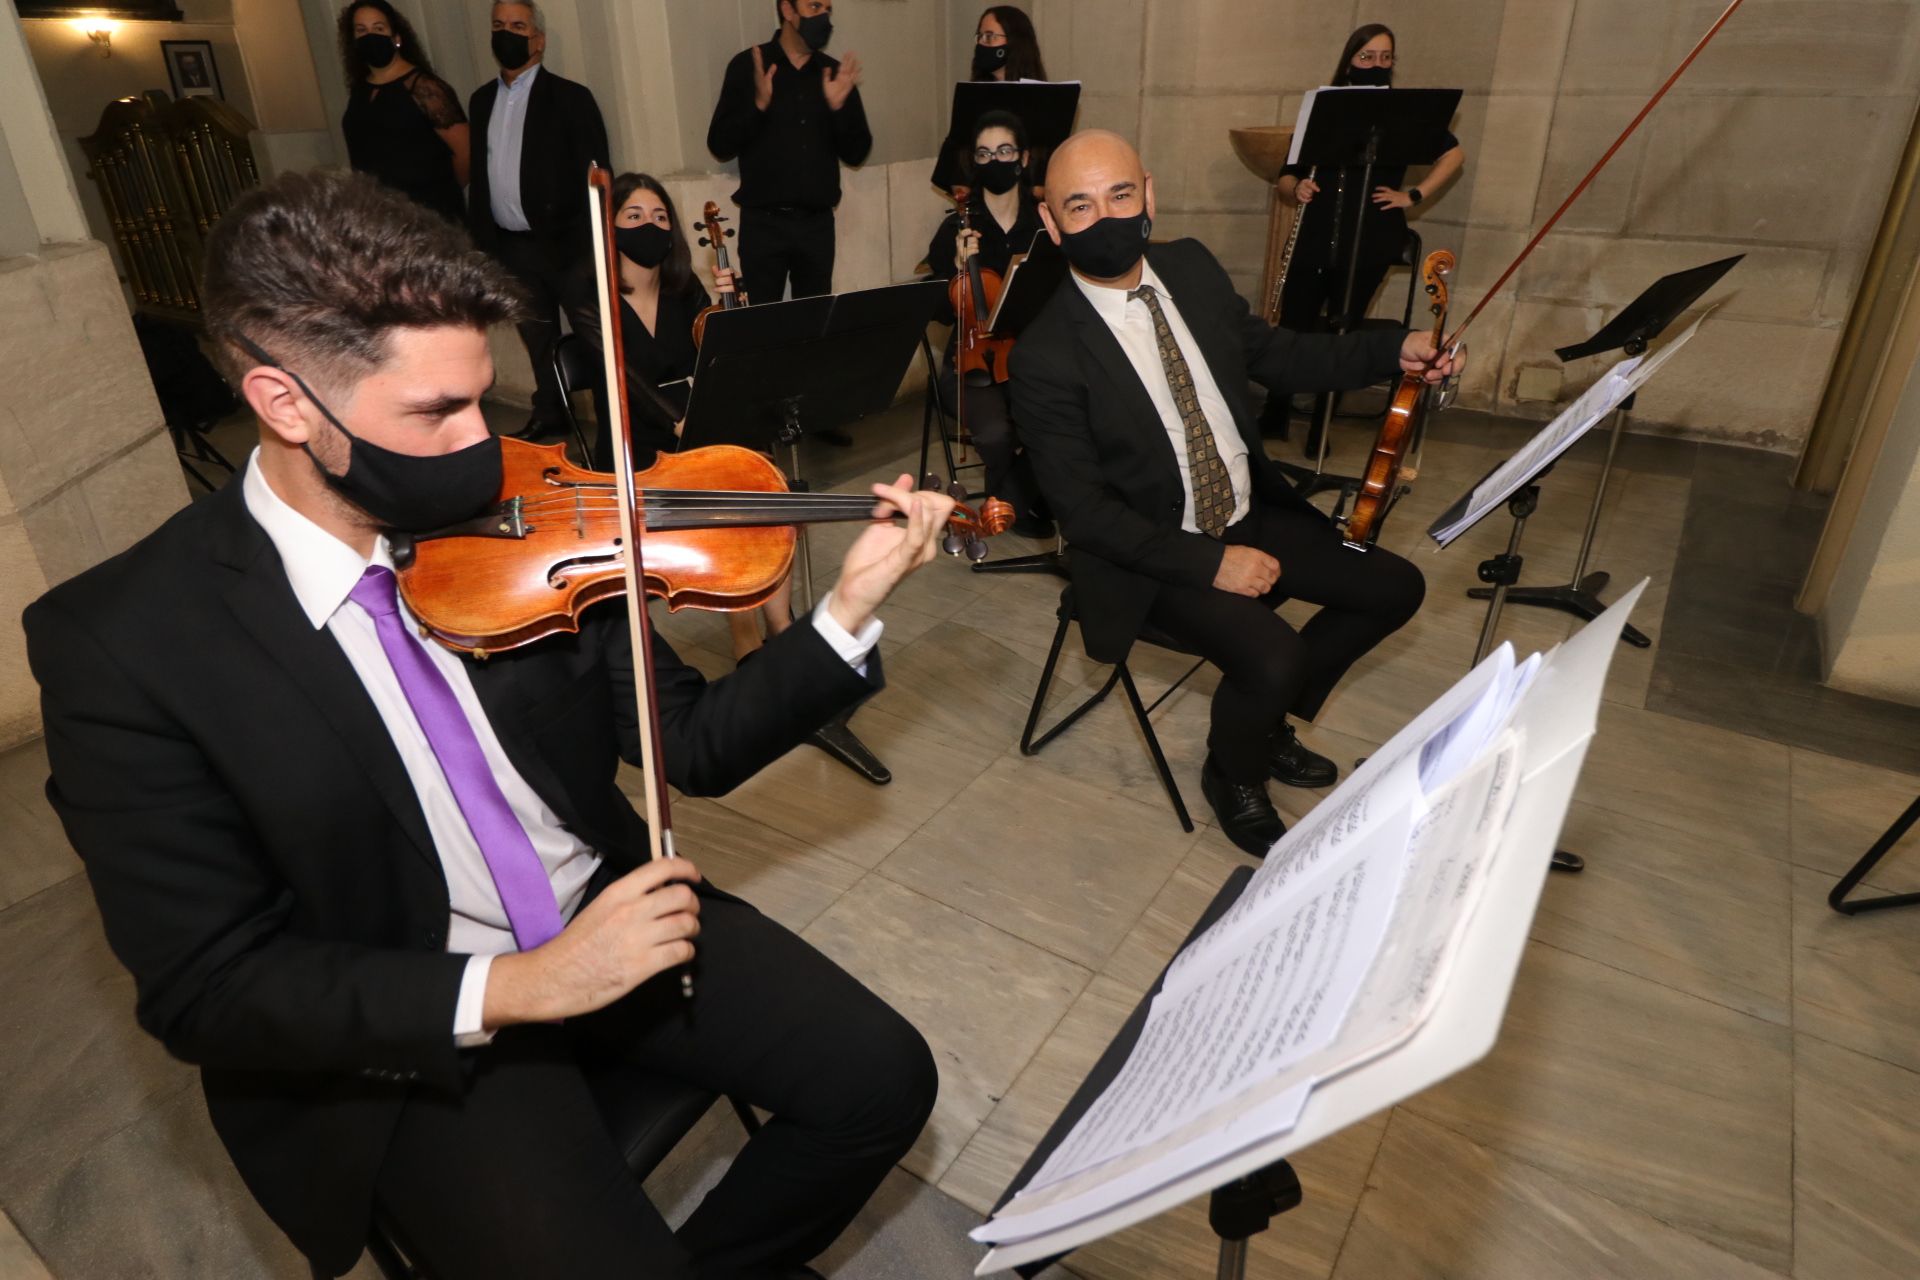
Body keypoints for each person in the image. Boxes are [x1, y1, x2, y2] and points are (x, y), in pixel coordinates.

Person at [23, 170, 946, 1280]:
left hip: (597, 904)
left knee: (883, 1077)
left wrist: (847, 608)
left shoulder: (531, 526)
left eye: (481, 395)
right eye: (437, 412)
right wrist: (529, 986)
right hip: (405, 1026)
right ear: (284, 403)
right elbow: (212, 987)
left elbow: (690, 743)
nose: (484, 443)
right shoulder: (122, 643)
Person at [1007, 130, 1456, 855]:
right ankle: (1233, 770)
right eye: (1080, 207)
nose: (1107, 218)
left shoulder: (1189, 267)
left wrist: (1389, 348)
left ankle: (1264, 720)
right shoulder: (1044, 355)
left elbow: (1277, 354)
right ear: (1052, 223)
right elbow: (1086, 516)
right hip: (1148, 552)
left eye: (1121, 195)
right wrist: (1208, 564)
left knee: (1393, 587)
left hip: (1244, 510)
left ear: (1149, 193)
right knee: (1272, 655)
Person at [598, 172, 797, 663]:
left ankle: (780, 624)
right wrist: (680, 424)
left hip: (695, 424)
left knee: (765, 480)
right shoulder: (592, 294)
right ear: (611, 225)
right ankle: (746, 637)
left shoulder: (684, 291)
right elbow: (622, 375)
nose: (650, 225)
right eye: (635, 216)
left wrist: (738, 305)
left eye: (661, 216)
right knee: (726, 497)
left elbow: (723, 355)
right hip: (638, 438)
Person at [1265, 23, 1466, 450]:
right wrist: (1295, 189)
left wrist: (1412, 195)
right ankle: (1274, 416)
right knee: (1294, 328)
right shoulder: (1323, 108)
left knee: (1345, 330)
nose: (1376, 65)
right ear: (1349, 60)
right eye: (1367, 57)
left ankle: (1321, 429)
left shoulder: (1403, 112)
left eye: (1385, 58)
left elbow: (1453, 154)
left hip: (1371, 238)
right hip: (1315, 236)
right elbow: (1286, 176)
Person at [468, 0, 610, 441]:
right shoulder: (481, 100)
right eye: (498, 25)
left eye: (517, 25)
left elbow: (597, 176)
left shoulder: (571, 98)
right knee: (537, 338)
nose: (505, 33)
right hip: (512, 246)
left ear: (539, 39)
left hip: (567, 245)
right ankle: (550, 411)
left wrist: (594, 248)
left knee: (594, 338)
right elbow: (479, 173)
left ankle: (611, 421)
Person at [925, 109, 1050, 536]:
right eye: (983, 153)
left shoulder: (1044, 224)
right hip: (969, 364)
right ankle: (1016, 501)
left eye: (1004, 150)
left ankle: (1019, 494)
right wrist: (957, 270)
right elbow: (938, 314)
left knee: (1064, 416)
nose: (994, 160)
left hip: (1032, 356)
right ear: (973, 162)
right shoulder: (955, 228)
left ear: (1023, 157)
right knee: (997, 433)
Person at [706, 0, 870, 308]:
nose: (824, 16)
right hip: (763, 225)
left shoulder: (833, 73)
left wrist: (838, 110)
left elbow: (857, 152)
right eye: (814, 6)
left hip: (817, 226)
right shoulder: (748, 66)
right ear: (788, 10)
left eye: (828, 9)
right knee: (762, 324)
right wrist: (757, 107)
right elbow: (719, 145)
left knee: (814, 325)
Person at [337, 0, 469, 225]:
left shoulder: (425, 87)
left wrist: (441, 194)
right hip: (380, 219)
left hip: (429, 217)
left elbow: (465, 152)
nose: (370, 36)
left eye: (379, 28)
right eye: (362, 30)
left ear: (396, 38)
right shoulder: (360, 90)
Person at [970, 5, 1047, 82]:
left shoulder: (1042, 93)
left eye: (989, 36)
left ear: (1014, 41)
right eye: (979, 36)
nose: (980, 42)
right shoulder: (970, 92)